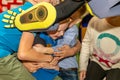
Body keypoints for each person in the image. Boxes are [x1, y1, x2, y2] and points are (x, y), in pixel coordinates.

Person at [79, 16, 120, 80]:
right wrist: (83, 67)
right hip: (97, 61)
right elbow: (86, 44)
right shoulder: (95, 21)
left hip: (117, 65)